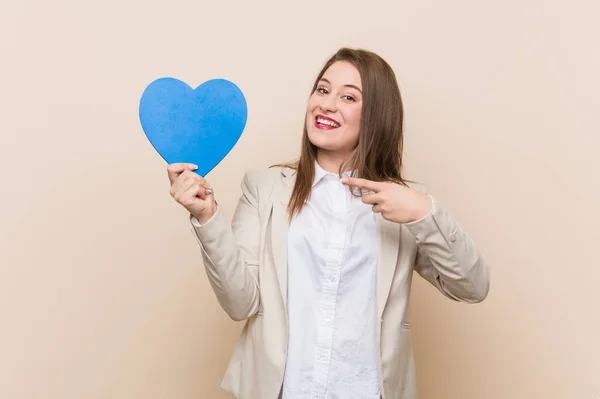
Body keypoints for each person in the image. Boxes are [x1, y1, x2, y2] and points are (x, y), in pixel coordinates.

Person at [166, 47, 490, 399]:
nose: (327, 104)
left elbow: (472, 287)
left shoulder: (405, 204)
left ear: (376, 115)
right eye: (322, 90)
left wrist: (425, 212)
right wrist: (207, 217)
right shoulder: (265, 188)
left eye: (348, 96)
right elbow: (240, 303)